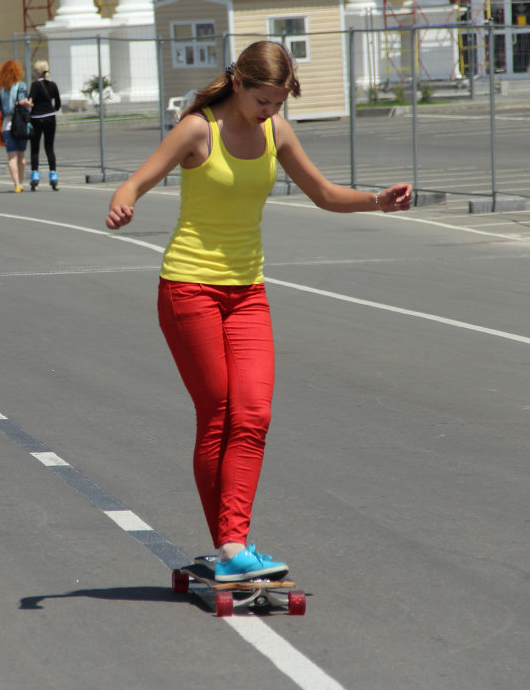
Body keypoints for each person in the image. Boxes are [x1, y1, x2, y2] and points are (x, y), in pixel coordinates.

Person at [105, 40, 413, 582]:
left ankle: (233, 542)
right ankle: (231, 545)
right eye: (264, 101)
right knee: (219, 413)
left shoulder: (277, 132)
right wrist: (123, 199)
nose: (271, 112)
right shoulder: (198, 129)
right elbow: (139, 178)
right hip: (189, 287)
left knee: (254, 414)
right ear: (239, 84)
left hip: (248, 291)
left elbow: (321, 193)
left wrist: (376, 201)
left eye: (279, 103)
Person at [0, 59, 32, 192]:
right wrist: (28, 104)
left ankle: (16, 184)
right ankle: (21, 182)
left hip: (7, 124)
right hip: (20, 124)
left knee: (12, 156)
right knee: (22, 156)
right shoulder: (20, 85)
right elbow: (22, 100)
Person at [27, 60, 61, 191]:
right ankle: (53, 175)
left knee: (35, 148)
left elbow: (31, 101)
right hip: (50, 118)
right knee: (49, 147)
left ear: (38, 72)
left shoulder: (35, 85)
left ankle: (35, 176)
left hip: (36, 118)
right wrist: (50, 108)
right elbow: (57, 105)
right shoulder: (53, 85)